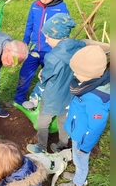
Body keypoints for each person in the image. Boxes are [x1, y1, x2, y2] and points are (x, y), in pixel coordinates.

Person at [26, 13, 86, 154]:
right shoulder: (79, 47)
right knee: (64, 122)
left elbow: (46, 77)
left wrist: (42, 74)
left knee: (43, 122)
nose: (46, 41)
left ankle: (41, 146)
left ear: (58, 37)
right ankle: (62, 146)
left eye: (47, 37)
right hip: (69, 95)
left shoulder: (52, 57)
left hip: (52, 97)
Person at [57, 45, 110, 186]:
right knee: (77, 160)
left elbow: (96, 127)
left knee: (80, 161)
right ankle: (79, 177)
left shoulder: (96, 100)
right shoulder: (89, 85)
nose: (74, 74)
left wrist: (85, 146)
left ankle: (79, 184)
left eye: (78, 72)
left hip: (83, 138)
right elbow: (80, 105)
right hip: (78, 130)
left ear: (91, 74)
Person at [13, 0, 69, 106]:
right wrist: (24, 43)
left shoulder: (61, 8)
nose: (43, 1)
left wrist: (60, 49)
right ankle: (18, 99)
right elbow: (29, 24)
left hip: (51, 51)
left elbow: (64, 31)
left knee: (49, 77)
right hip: (34, 49)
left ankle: (46, 102)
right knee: (24, 73)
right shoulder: (35, 5)